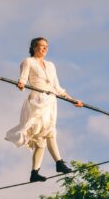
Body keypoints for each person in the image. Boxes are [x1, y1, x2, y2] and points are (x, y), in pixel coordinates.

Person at [5, 37, 84, 182]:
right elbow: (22, 78)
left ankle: (34, 173)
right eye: (42, 46)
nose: (44, 49)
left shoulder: (51, 65)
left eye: (46, 47)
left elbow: (57, 87)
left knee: (42, 138)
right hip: (38, 100)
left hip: (50, 101)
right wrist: (21, 84)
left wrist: (73, 100)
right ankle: (59, 163)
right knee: (48, 132)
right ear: (34, 47)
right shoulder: (28, 62)